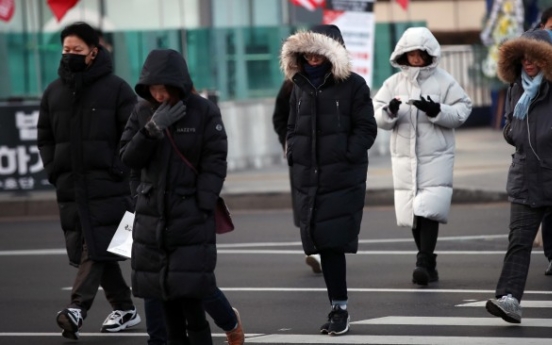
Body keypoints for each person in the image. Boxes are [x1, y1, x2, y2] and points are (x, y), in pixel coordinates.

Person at [119, 48, 236, 345]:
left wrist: (203, 201)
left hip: (190, 217)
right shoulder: (141, 111)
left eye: (164, 88)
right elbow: (128, 158)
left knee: (192, 298)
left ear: (179, 83)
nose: (158, 95)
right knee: (161, 295)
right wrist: (151, 129)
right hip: (151, 218)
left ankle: (225, 327)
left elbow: (215, 160)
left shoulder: (203, 111)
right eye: (153, 89)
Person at [36, 22, 141, 340]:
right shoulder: (54, 92)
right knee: (96, 248)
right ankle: (125, 308)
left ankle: (77, 308)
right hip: (70, 187)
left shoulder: (117, 89)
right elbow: (45, 136)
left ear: (94, 52)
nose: (70, 55)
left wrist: (118, 170)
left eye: (77, 50)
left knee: (94, 248)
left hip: (107, 186)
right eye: (66, 50)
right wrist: (54, 169)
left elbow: (132, 133)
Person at [280, 24, 377, 335]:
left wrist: (347, 153)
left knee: (333, 243)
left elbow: (366, 129)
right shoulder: (299, 86)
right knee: (319, 242)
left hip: (341, 175)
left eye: (318, 50)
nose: (311, 56)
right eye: (306, 50)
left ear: (331, 51)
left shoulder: (354, 85)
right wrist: (293, 150)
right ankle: (338, 304)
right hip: (309, 175)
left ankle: (339, 308)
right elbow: (292, 125)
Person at [373, 27, 472, 286]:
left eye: (421, 54)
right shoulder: (393, 83)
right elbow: (376, 114)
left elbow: (463, 109)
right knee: (414, 212)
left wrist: (437, 110)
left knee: (429, 209)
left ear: (430, 54)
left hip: (436, 155)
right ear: (403, 55)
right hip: (405, 158)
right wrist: (389, 111)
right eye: (411, 54)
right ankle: (427, 261)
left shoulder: (444, 80)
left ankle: (424, 262)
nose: (416, 59)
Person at [485, 28, 552, 323]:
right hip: (526, 176)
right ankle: (508, 298)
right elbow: (512, 127)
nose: (527, 62)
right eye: (523, 57)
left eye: (534, 56)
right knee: (519, 242)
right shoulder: (516, 88)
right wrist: (511, 131)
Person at [272, 79, 322, 274]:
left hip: (327, 155)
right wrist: (288, 141)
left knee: (324, 203)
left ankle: (322, 250)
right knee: (305, 204)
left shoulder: (332, 83)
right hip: (300, 155)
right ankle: (313, 250)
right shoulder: (289, 86)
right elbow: (279, 118)